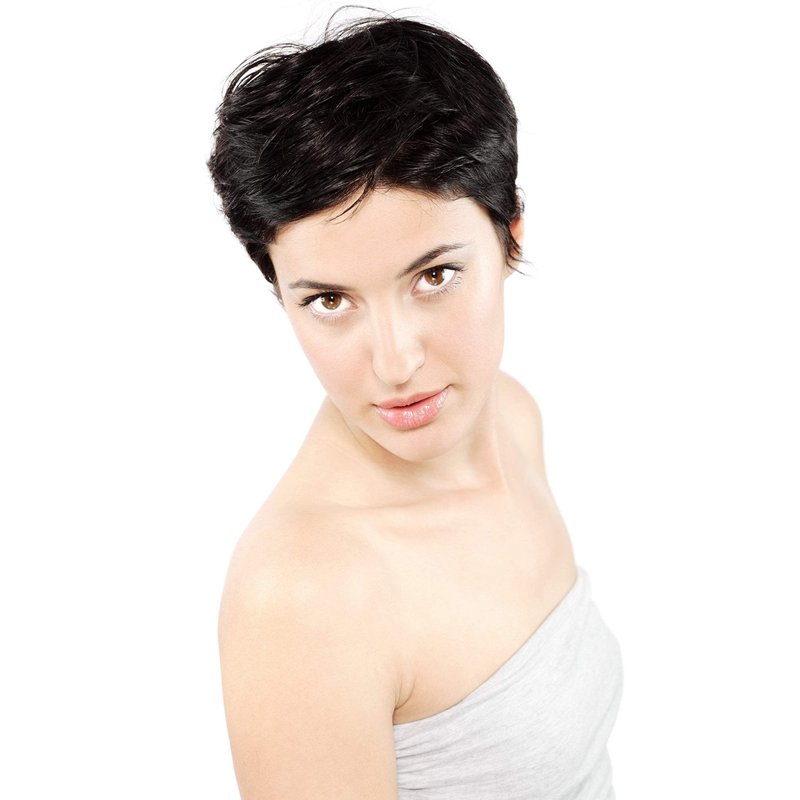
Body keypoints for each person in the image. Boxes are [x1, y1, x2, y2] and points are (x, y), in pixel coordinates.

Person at [208, 13, 623, 799]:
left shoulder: (512, 417)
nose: (395, 363)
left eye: (434, 277)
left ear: (511, 237)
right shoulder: (305, 593)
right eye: (330, 300)